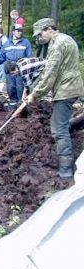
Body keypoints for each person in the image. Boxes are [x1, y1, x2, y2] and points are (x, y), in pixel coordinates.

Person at [13, 18, 84, 178]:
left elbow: (50, 74)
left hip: (66, 89)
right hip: (68, 87)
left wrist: (35, 95)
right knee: (59, 123)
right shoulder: (65, 39)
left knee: (59, 128)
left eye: (40, 35)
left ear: (48, 29)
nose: (39, 39)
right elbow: (48, 72)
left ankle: (66, 170)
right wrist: (34, 91)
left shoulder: (58, 44)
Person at [0, 24, 32, 108]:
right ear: (13, 32)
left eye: (21, 31)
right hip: (9, 70)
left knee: (20, 89)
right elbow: (1, 57)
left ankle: (22, 108)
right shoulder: (7, 44)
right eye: (18, 30)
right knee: (11, 88)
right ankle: (13, 107)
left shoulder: (26, 43)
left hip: (20, 71)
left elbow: (29, 58)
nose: (20, 32)